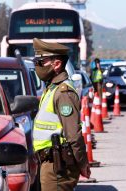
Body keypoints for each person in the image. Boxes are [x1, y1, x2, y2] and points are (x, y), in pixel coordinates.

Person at [32, 38, 90, 191]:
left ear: (56, 64)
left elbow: (73, 134)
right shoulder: (51, 89)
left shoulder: (63, 93)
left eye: (41, 62)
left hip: (58, 165)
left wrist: (82, 164)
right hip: (49, 163)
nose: (38, 66)